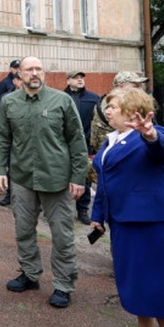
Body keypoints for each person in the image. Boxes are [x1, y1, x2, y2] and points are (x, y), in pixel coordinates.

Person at [90, 87, 164, 327]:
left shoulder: (153, 134)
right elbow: (105, 182)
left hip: (156, 222)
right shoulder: (111, 141)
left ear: (134, 112)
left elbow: (163, 150)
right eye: (107, 107)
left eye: (114, 107)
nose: (108, 111)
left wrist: (149, 135)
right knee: (135, 281)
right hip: (123, 222)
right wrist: (98, 216)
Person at [0, 57, 88, 308]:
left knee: (62, 234)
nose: (35, 74)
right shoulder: (9, 102)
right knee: (23, 230)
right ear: (19, 74)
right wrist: (0, 169)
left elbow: (77, 141)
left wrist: (79, 177)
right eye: (29, 70)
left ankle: (63, 285)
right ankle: (30, 274)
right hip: (22, 178)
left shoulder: (62, 101)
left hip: (56, 179)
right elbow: (1, 137)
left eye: (38, 69)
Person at [64, 70, 100, 225]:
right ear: (68, 81)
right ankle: (61, 209)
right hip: (63, 145)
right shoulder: (60, 98)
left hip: (85, 144)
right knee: (61, 175)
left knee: (84, 177)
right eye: (76, 78)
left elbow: (97, 122)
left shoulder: (93, 99)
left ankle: (83, 209)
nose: (80, 80)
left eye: (81, 78)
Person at [89, 71, 149, 154]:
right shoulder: (112, 104)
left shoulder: (125, 102)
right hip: (114, 151)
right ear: (121, 87)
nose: (141, 90)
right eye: (136, 86)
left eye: (140, 86)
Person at [0, 73, 23, 207]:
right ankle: (9, 195)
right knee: (11, 168)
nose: (22, 81)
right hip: (12, 141)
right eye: (19, 79)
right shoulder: (6, 98)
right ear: (15, 81)